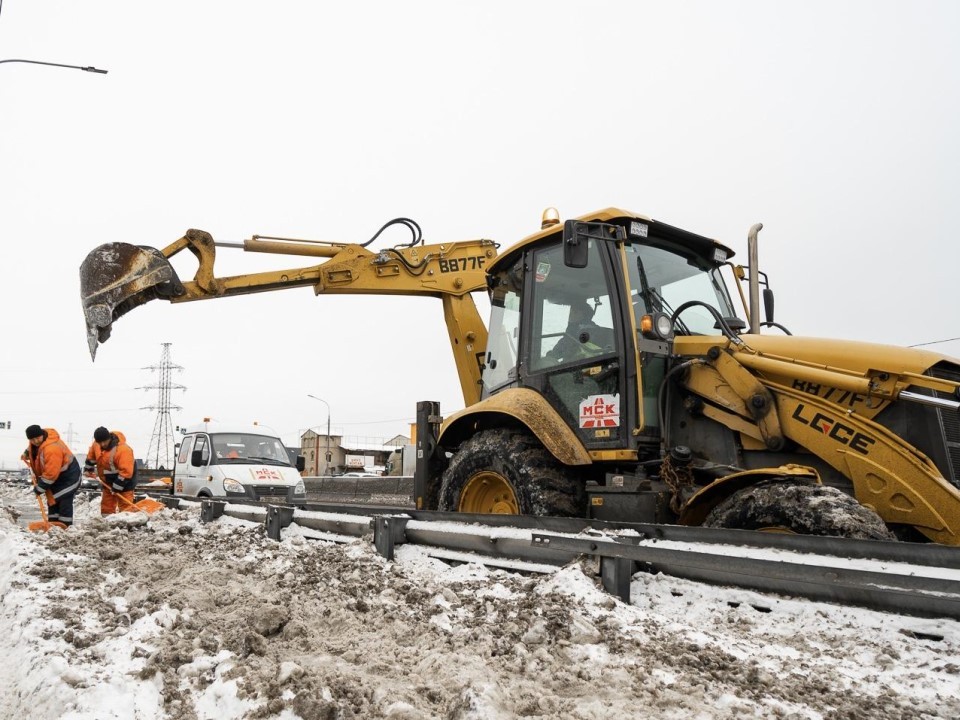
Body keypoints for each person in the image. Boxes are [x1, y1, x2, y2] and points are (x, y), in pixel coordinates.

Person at [23, 425, 82, 527]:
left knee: (64, 501)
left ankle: (65, 526)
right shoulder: (38, 442)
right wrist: (27, 453)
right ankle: (53, 525)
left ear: (42, 434)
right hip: (57, 478)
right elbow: (32, 448)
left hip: (69, 477)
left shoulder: (52, 449)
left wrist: (40, 488)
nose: (36, 441)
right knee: (53, 501)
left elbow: (50, 474)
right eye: (32, 439)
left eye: (37, 438)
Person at [91, 427, 138, 515]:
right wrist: (88, 467)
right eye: (100, 442)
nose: (102, 444)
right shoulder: (97, 445)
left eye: (104, 441)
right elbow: (91, 454)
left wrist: (116, 487)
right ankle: (107, 524)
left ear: (109, 438)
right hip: (108, 481)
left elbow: (126, 472)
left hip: (126, 481)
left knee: (125, 506)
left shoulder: (123, 450)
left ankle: (126, 523)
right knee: (107, 506)